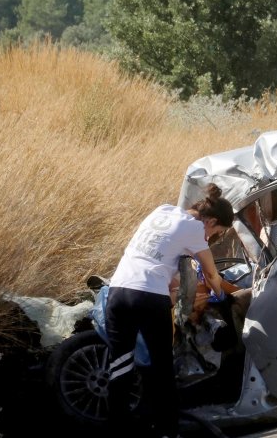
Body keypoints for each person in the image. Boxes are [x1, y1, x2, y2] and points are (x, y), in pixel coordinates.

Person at [105, 183, 233, 438]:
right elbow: (210, 272)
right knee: (162, 368)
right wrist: (220, 293)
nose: (210, 238)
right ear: (212, 221)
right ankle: (167, 431)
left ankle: (117, 431)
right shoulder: (196, 228)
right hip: (149, 297)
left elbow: (160, 264)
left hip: (118, 291)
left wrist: (179, 285)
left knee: (120, 367)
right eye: (216, 232)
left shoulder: (161, 211)